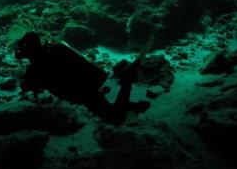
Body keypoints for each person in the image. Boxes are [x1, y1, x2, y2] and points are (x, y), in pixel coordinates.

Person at [15, 32, 151, 126]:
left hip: (84, 93)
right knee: (110, 107)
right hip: (94, 80)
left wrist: (24, 73)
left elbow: (25, 86)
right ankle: (133, 106)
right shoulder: (55, 47)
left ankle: (127, 79)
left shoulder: (35, 69)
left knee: (115, 119)